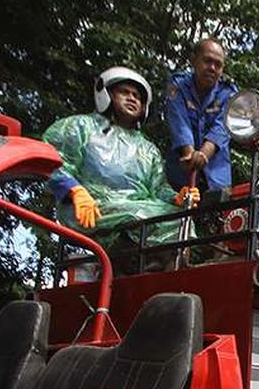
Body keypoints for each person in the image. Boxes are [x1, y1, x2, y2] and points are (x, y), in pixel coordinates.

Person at [43, 67, 181, 272]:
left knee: (180, 217)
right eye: (124, 92)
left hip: (138, 212)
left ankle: (167, 271)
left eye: (137, 96)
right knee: (141, 215)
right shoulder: (81, 126)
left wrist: (177, 198)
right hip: (91, 208)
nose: (132, 99)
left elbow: (158, 188)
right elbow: (50, 160)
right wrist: (74, 190)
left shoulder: (148, 148)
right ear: (106, 94)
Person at [164, 38, 238, 193]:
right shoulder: (177, 86)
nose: (212, 68)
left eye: (218, 65)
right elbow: (179, 123)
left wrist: (203, 155)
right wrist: (190, 156)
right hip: (181, 172)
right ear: (193, 60)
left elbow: (222, 128)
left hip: (216, 178)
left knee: (217, 214)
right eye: (207, 61)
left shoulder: (229, 93)